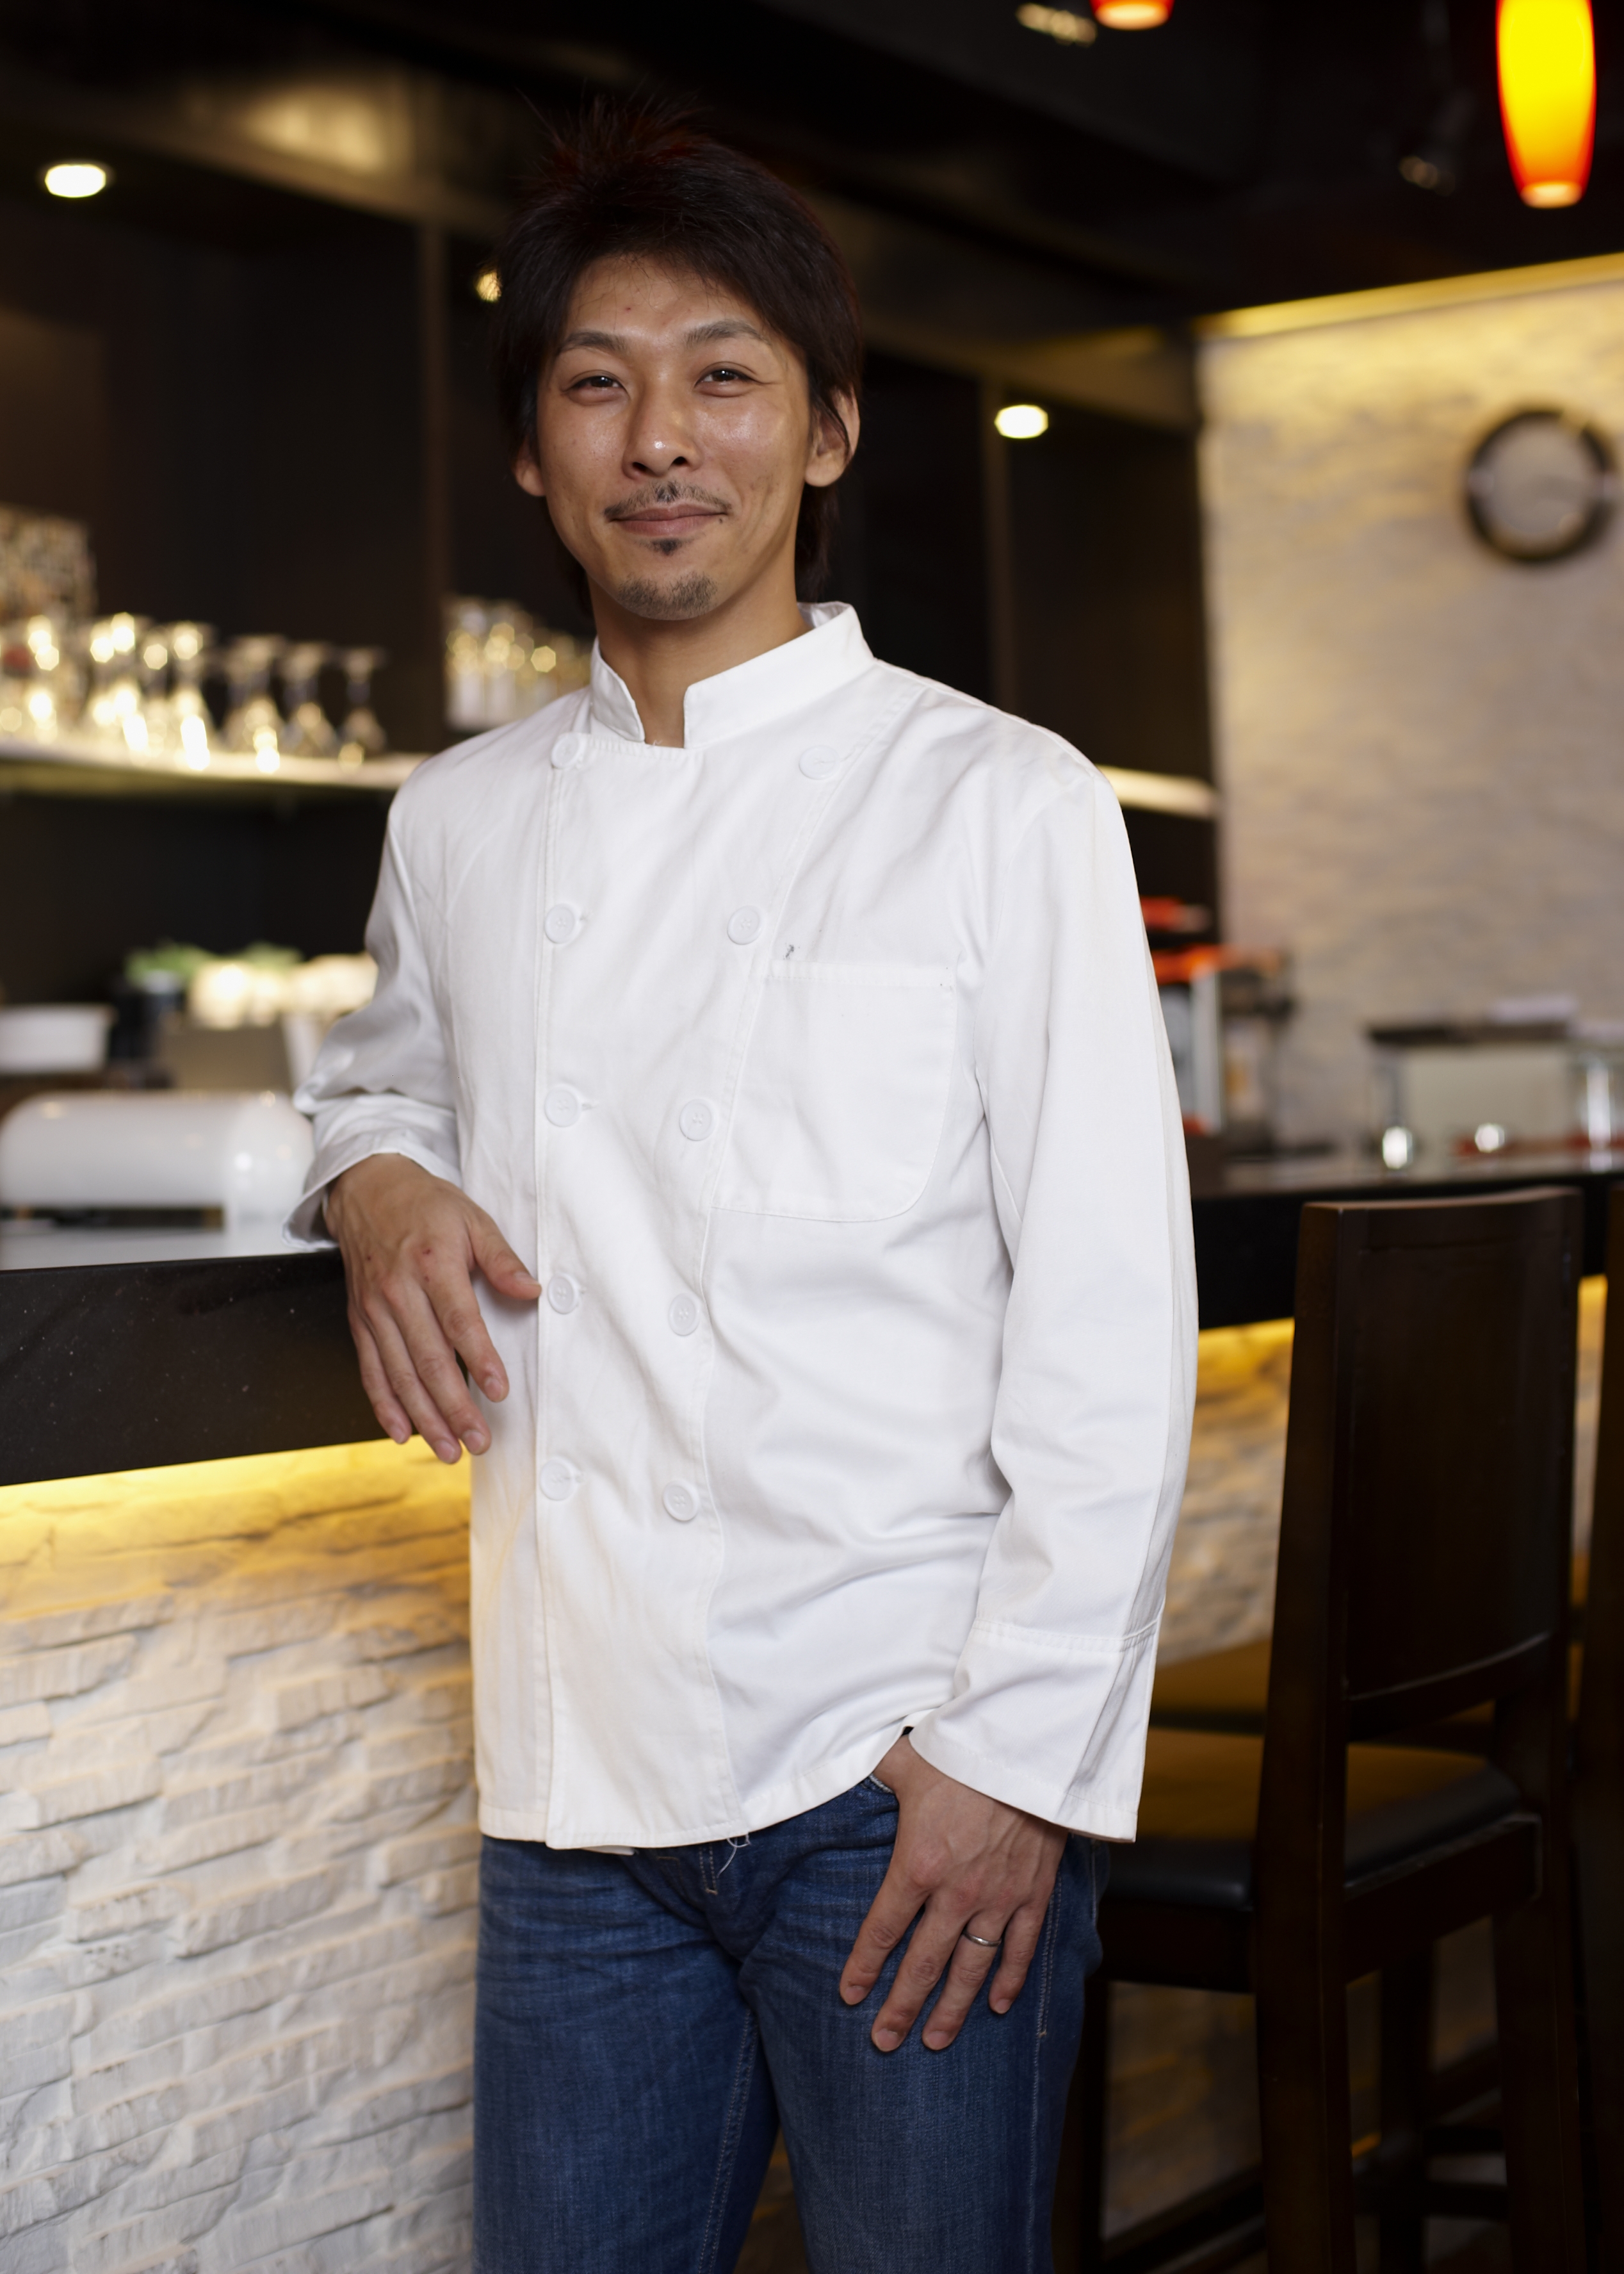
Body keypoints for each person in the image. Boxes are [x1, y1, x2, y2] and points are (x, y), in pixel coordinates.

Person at [289, 101, 1196, 2274]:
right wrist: (378, 1183)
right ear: (534, 454)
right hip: (575, 1792)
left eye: (724, 378)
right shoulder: (459, 819)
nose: (660, 439)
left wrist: (1017, 1764)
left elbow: (1108, 1318)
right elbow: (379, 1076)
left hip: (898, 1768)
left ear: (828, 429)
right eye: (597, 385)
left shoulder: (1001, 802)